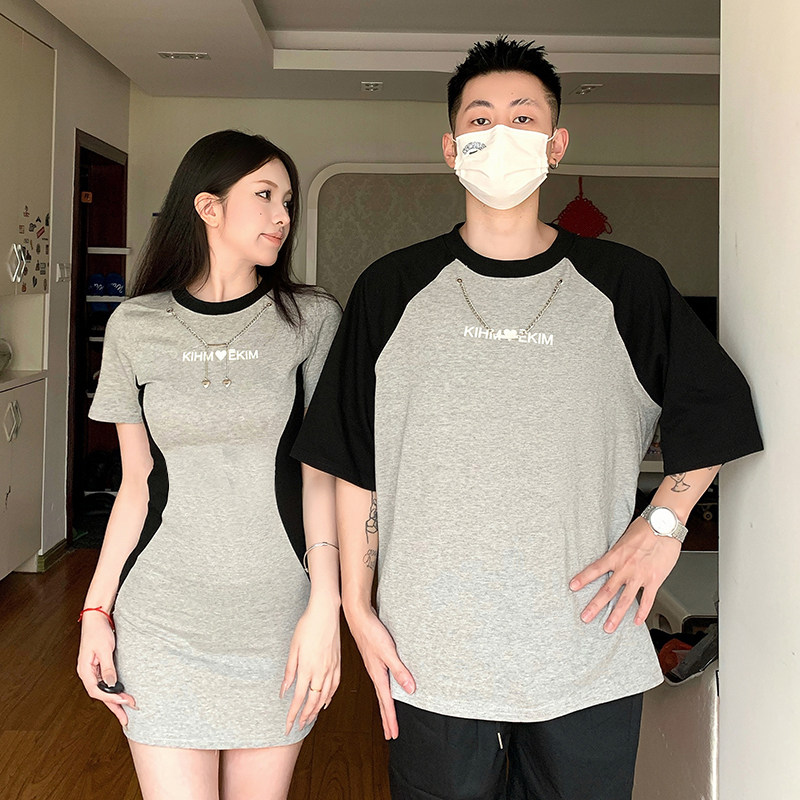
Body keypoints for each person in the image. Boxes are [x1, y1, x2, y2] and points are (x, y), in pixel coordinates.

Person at [292, 37, 763, 800]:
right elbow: (353, 459)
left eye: (523, 117)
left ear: (556, 143)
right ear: (452, 147)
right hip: (431, 651)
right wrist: (356, 602)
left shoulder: (624, 284)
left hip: (587, 646)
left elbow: (719, 408)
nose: (501, 134)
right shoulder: (393, 288)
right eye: (480, 120)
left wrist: (664, 526)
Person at [77, 130, 342, 800]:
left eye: (288, 200)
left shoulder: (311, 320)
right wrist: (95, 611)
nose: (283, 215)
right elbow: (136, 485)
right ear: (208, 206)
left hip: (277, 616)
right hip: (162, 618)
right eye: (265, 195)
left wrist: (326, 605)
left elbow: (320, 478)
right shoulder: (135, 325)